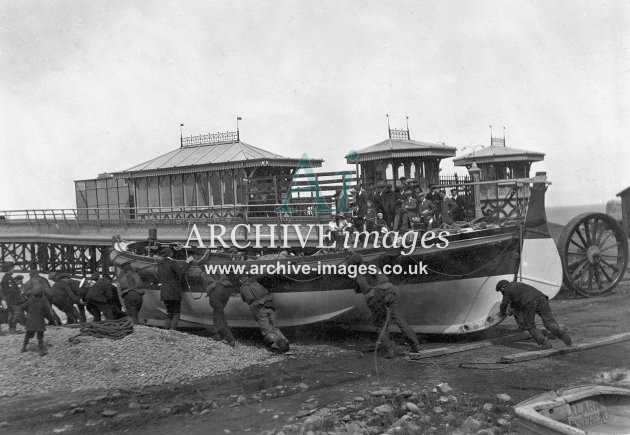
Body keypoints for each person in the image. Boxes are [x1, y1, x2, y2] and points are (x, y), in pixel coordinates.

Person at [346, 253, 421, 358]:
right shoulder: (372, 265)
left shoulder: (356, 273)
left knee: (381, 325)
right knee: (399, 319)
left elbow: (359, 290)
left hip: (374, 296)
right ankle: (416, 346)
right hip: (390, 289)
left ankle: (389, 353)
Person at [496, 280, 572, 349]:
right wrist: (512, 308)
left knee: (530, 326)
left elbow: (504, 304)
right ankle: (559, 330)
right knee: (548, 321)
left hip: (529, 302)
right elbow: (517, 300)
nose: (502, 293)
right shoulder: (516, 284)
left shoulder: (507, 289)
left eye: (500, 291)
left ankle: (545, 343)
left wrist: (502, 313)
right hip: (541, 297)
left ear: (502, 288)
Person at [238, 275, 289, 353]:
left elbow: (244, 300)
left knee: (268, 331)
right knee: (275, 328)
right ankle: (285, 342)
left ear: (240, 281)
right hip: (269, 305)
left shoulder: (241, 288)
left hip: (259, 309)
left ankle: (281, 347)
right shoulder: (255, 280)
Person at [157, 247, 193, 330]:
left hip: (164, 292)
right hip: (174, 292)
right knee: (176, 313)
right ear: (171, 254)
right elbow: (181, 272)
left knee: (169, 313)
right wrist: (187, 262)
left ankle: (167, 331)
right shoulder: (173, 263)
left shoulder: (160, 264)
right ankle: (173, 331)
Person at [201, 272, 236, 347]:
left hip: (218, 289)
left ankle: (230, 339)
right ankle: (218, 335)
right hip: (227, 288)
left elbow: (209, 281)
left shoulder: (204, 272)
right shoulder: (215, 267)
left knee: (218, 316)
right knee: (219, 313)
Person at [20, 289, 57, 356]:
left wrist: (28, 311)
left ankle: (23, 348)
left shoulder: (29, 300)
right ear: (41, 294)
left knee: (28, 335)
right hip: (39, 321)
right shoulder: (43, 301)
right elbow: (48, 312)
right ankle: (41, 350)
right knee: (40, 336)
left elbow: (22, 307)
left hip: (30, 321)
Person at [1, 262, 25, 334]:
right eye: (12, 268)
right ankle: (13, 330)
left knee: (11, 314)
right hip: (13, 301)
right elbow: (11, 291)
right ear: (9, 269)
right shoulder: (8, 278)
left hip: (9, 300)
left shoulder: (6, 278)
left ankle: (11, 330)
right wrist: (19, 299)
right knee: (16, 314)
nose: (13, 270)